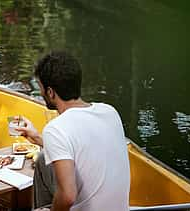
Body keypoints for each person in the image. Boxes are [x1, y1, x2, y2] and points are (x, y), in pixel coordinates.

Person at [16, 51, 130, 211]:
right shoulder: (110, 112)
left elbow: (68, 196)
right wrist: (38, 138)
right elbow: (83, 144)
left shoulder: (56, 128)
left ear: (50, 92)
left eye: (41, 88)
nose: (41, 93)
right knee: (43, 158)